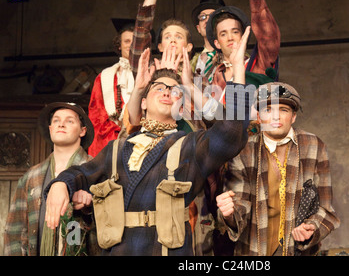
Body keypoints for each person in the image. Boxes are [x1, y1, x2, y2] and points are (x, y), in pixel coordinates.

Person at [43, 26, 254, 256]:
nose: (166, 92)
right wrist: (59, 184)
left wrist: (238, 75)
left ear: (181, 107)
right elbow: (81, 173)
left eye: (174, 91)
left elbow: (232, 132)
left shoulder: (191, 146)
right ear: (143, 103)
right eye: (159, 87)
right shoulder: (117, 149)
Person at [216, 82, 340, 256]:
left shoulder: (314, 145)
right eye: (268, 110)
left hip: (299, 251)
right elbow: (240, 203)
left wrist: (312, 227)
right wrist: (229, 215)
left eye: (283, 109)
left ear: (294, 116)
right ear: (258, 117)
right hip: (253, 252)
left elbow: (325, 208)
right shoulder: (243, 151)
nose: (276, 117)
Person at [4, 102, 99, 256]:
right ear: (50, 129)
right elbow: (14, 231)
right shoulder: (31, 176)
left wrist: (90, 209)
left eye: (69, 121)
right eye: (56, 120)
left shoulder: (96, 170)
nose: (61, 124)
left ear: (82, 131)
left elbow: (112, 229)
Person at [204, 0, 281, 103]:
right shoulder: (214, 76)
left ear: (243, 36)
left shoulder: (258, 64)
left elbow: (267, 35)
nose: (230, 37)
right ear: (217, 43)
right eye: (223, 34)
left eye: (235, 31)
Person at [88, 21, 135, 156]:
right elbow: (97, 115)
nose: (131, 45)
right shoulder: (105, 77)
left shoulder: (151, 73)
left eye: (135, 41)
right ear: (119, 45)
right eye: (127, 41)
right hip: (111, 143)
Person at [190, 0, 226, 78]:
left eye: (213, 16)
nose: (207, 20)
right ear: (198, 28)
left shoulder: (236, 54)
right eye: (202, 17)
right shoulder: (193, 62)